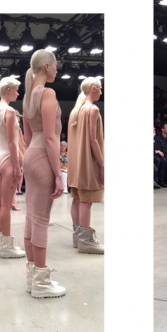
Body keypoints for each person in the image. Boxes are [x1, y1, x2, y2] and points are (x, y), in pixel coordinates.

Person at [22, 49, 66, 297]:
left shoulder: (28, 96)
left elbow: (28, 137)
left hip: (31, 155)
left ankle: (33, 275)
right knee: (40, 219)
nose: (57, 70)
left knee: (31, 216)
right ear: (47, 67)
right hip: (42, 157)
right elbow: (50, 137)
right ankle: (41, 280)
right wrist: (58, 173)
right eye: (55, 65)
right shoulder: (47, 93)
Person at [68, 77, 105, 255]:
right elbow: (93, 140)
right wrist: (102, 163)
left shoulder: (76, 110)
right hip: (88, 161)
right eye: (100, 88)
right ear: (93, 89)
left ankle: (78, 237)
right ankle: (85, 241)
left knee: (77, 198)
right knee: (86, 200)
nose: (101, 92)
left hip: (76, 162)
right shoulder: (92, 109)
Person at [0, 76, 26, 258]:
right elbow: (13, 142)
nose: (18, 93)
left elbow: (2, 139)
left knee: (0, 202)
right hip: (8, 158)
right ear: (8, 90)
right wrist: (17, 166)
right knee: (6, 204)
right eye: (16, 90)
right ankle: (7, 246)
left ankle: (1, 241)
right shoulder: (10, 111)